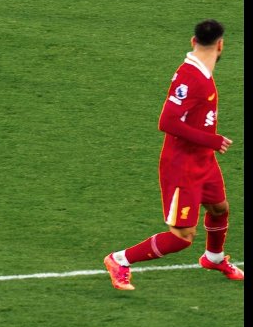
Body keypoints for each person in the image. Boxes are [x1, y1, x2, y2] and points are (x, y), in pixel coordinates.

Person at [103, 20, 244, 290]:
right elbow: (167, 121)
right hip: (183, 166)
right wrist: (211, 139)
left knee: (219, 208)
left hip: (203, 159)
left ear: (193, 41)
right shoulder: (190, 77)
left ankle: (213, 258)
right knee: (182, 236)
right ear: (221, 45)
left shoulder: (202, 72)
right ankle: (119, 260)